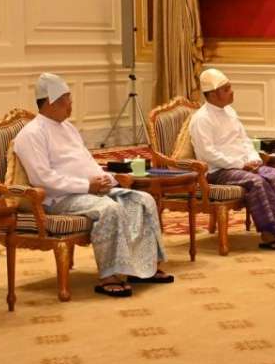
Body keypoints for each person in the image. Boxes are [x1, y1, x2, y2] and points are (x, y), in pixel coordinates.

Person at [12, 73, 171, 297]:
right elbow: (43, 179)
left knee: (142, 200)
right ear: (50, 102)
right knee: (109, 209)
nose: (71, 104)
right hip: (58, 199)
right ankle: (109, 276)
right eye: (66, 99)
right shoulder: (31, 134)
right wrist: (87, 186)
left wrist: (106, 179)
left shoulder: (68, 128)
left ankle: (143, 267)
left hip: (89, 190)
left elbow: (86, 161)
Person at [189, 68, 275, 251]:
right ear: (212, 94)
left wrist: (253, 159)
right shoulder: (201, 119)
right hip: (218, 172)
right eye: (227, 89)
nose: (232, 92)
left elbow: (244, 140)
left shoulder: (230, 112)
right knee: (257, 182)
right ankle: (270, 235)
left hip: (243, 166)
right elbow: (207, 154)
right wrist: (240, 164)